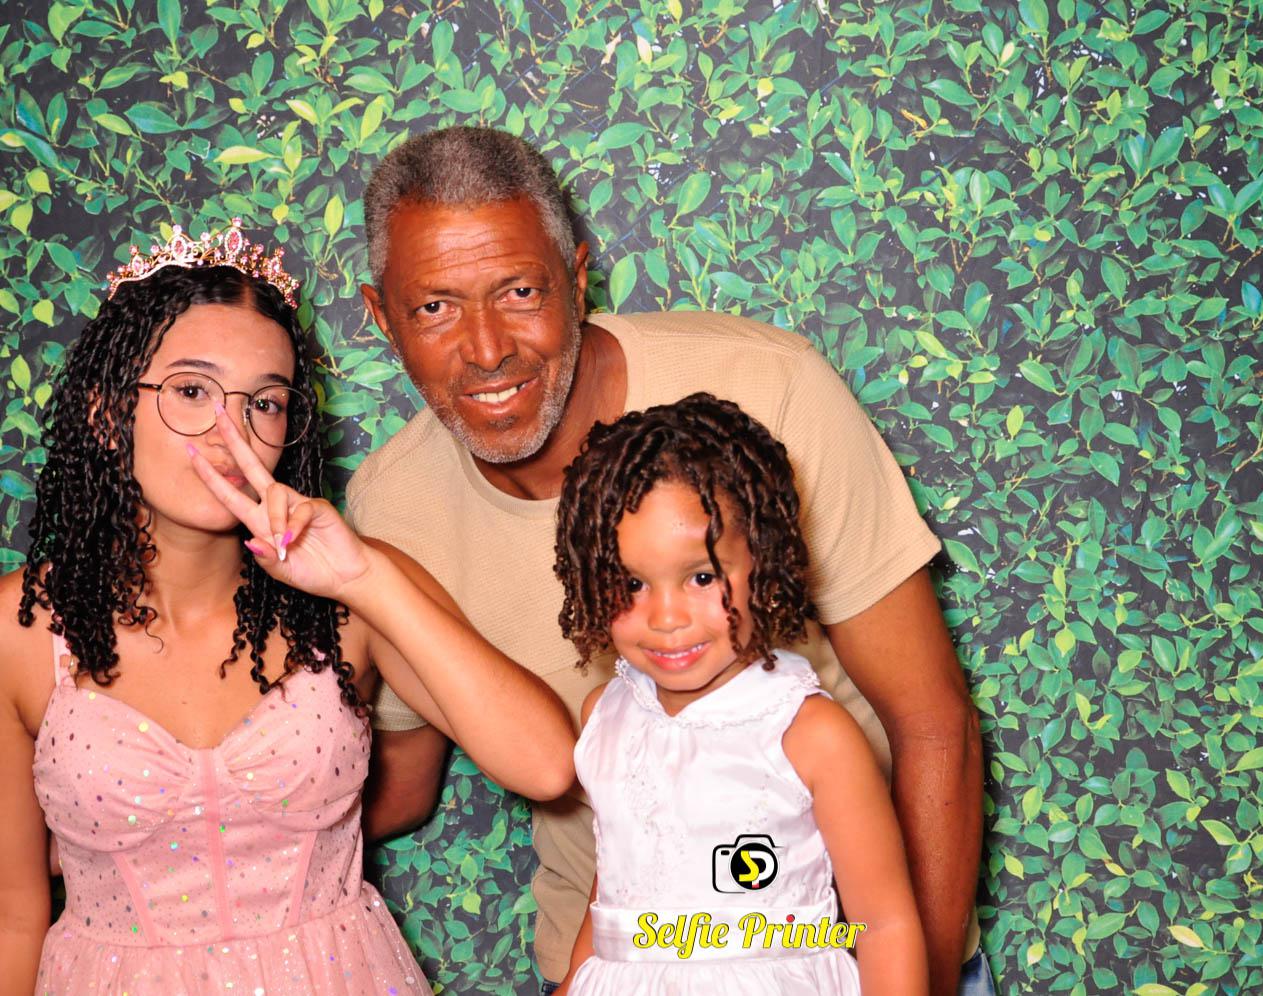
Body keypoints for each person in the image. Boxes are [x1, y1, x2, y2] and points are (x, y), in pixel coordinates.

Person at [351, 126, 987, 995]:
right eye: (435, 308)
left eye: (520, 291)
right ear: (381, 317)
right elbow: (403, 782)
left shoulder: (769, 389)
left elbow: (931, 721)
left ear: (577, 278)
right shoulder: (386, 514)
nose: (488, 347)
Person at [0, 220, 575, 994]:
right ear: (107, 412)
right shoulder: (19, 628)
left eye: (265, 403)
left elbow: (546, 766)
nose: (230, 431)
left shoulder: (352, 594)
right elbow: (12, 916)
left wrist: (362, 577)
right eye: (192, 391)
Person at [552, 394, 926, 995]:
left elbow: (884, 925)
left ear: (764, 563)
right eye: (631, 583)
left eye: (702, 577)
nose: (666, 617)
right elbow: (614, 902)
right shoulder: (605, 716)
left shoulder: (811, 735)